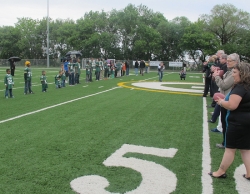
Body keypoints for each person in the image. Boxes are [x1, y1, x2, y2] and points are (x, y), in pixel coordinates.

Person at [209, 62, 250, 180]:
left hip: (238, 123)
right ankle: (249, 173)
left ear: (242, 74)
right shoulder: (247, 86)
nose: (233, 75)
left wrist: (221, 102)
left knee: (230, 149)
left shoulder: (240, 87)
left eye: (235, 72)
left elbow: (232, 105)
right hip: (246, 121)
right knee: (246, 150)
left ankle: (220, 172)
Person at [213, 53, 239, 149]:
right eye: (227, 60)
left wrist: (216, 76)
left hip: (229, 100)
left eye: (229, 61)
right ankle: (226, 142)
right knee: (225, 123)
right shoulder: (230, 71)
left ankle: (227, 143)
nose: (227, 62)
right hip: (226, 99)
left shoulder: (234, 73)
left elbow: (224, 85)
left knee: (227, 123)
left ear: (236, 62)